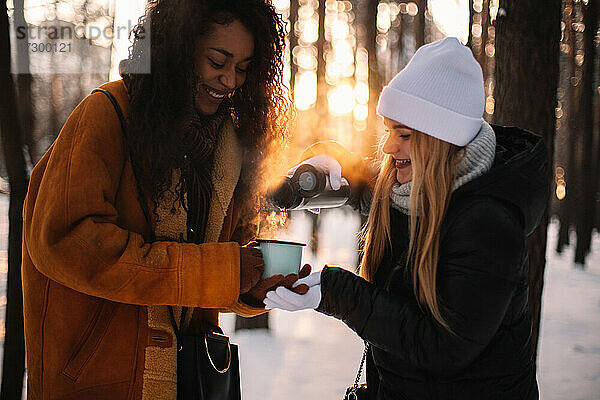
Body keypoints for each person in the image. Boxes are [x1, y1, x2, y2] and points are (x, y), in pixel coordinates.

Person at [21, 1, 306, 398]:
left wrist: (252, 286)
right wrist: (215, 272)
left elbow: (223, 262)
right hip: (98, 380)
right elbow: (64, 243)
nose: (229, 81)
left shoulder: (229, 146)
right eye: (217, 61)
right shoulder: (105, 115)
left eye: (242, 68)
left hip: (187, 382)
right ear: (178, 49)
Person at [264, 37, 547, 399]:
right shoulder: (413, 191)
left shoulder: (487, 223)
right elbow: (374, 191)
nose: (387, 146)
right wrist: (338, 165)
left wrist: (337, 293)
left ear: (442, 139)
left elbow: (443, 346)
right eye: (388, 130)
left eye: (405, 134)